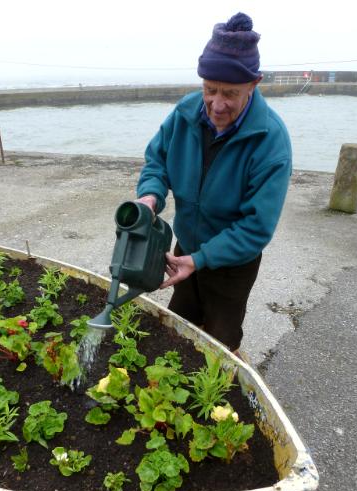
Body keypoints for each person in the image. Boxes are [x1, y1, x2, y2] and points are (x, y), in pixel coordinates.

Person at [136, 12, 292, 355]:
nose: (217, 105)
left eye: (230, 94)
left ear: (254, 84)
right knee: (179, 330)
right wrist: (150, 196)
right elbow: (157, 160)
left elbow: (256, 227)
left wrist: (202, 259)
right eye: (210, 90)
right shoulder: (185, 112)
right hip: (186, 247)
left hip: (233, 262)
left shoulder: (271, 141)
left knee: (222, 342)